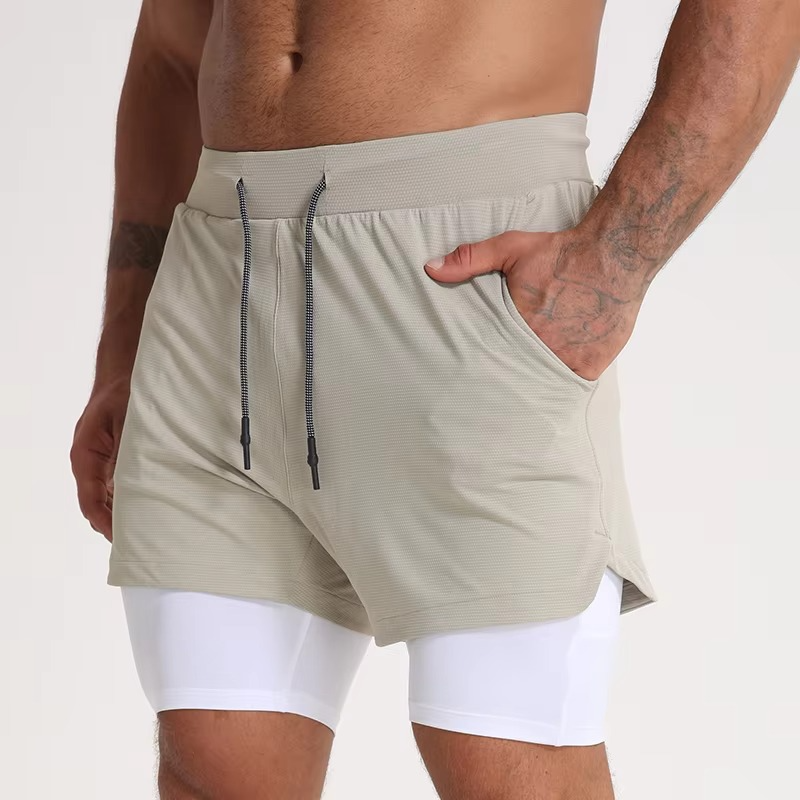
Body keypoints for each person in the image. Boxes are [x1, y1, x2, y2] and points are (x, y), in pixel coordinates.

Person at [70, 0, 799, 796]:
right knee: (213, 770)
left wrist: (615, 261)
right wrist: (123, 343)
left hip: (463, 271)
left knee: (512, 767)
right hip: (214, 291)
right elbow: (170, 49)